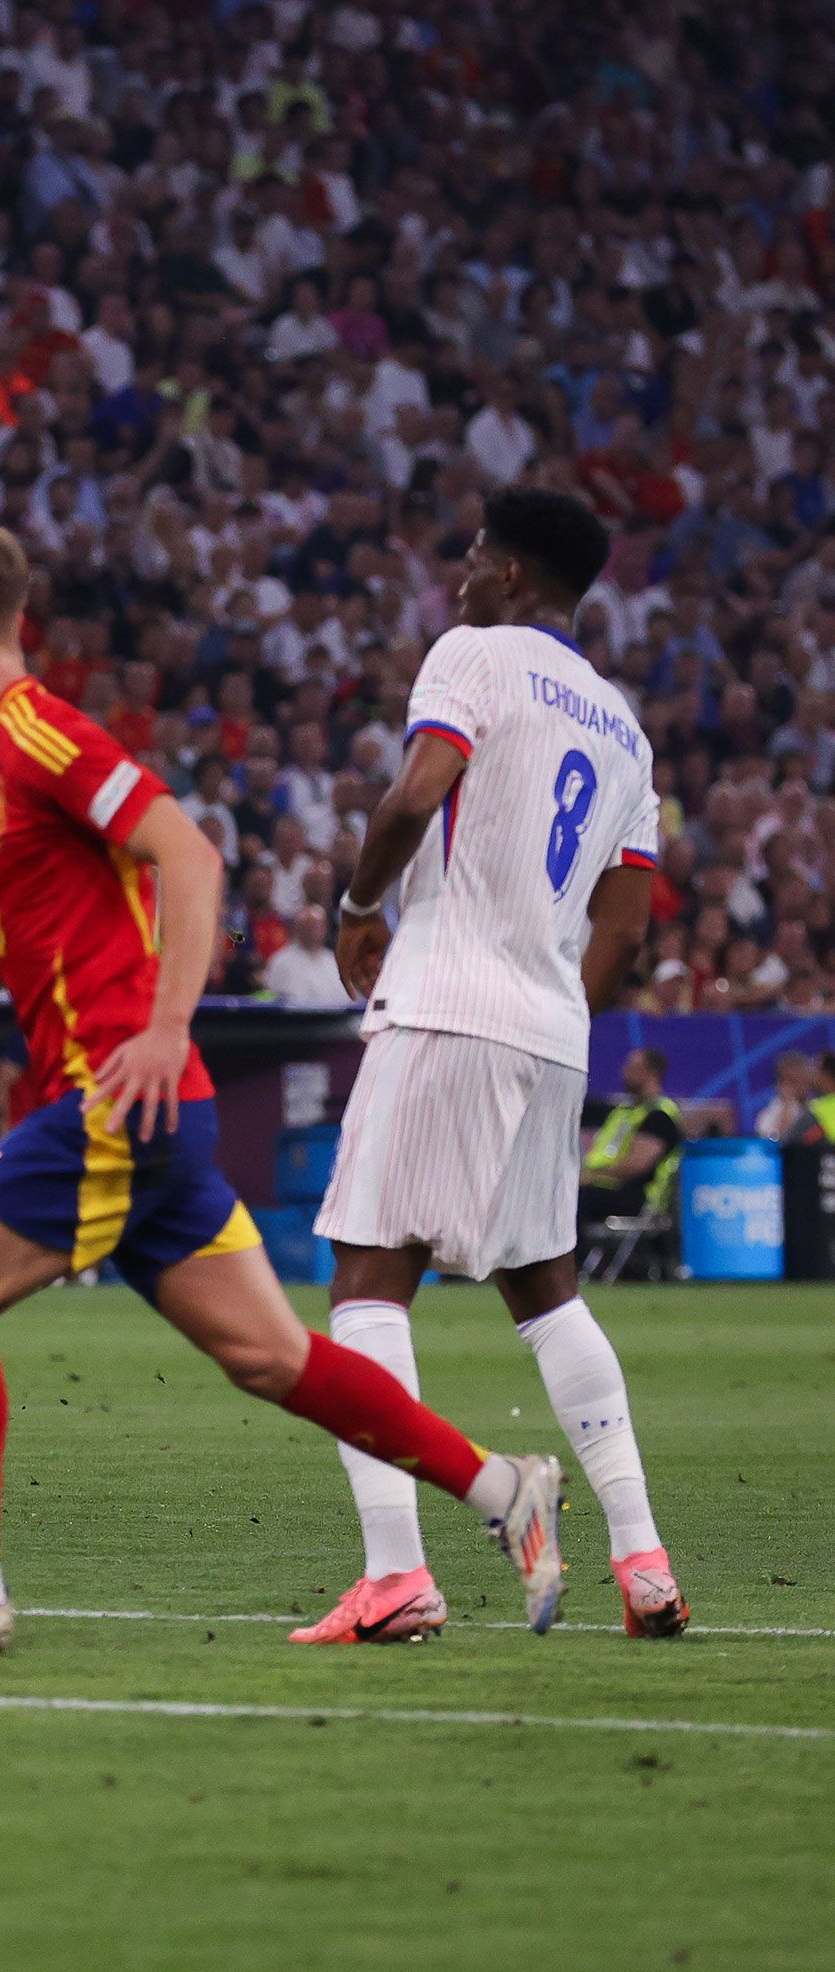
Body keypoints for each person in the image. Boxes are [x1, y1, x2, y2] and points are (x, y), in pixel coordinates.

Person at [0, 519, 565, 1653]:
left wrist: (166, 1024)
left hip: (116, 1095)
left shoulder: (40, 732)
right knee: (270, 1356)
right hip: (145, 1108)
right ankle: (500, 1487)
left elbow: (191, 852)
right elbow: (13, 939)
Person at [310, 486, 687, 1642]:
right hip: (550, 1027)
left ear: (515, 576)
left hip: (448, 1001)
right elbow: (625, 922)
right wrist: (548, 1014)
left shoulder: (473, 653)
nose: (462, 575)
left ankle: (396, 1574)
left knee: (368, 1282)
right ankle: (644, 1558)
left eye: (476, 557)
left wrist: (359, 904)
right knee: (547, 1291)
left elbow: (417, 792)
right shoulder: (625, 727)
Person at [578, 1047, 683, 1230]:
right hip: (606, 1188)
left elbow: (636, 1165)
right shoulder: (623, 1113)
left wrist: (591, 1176)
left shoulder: (659, 1116)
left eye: (633, 1067)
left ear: (652, 1073)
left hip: (637, 1198)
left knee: (576, 1199)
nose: (624, 1071)